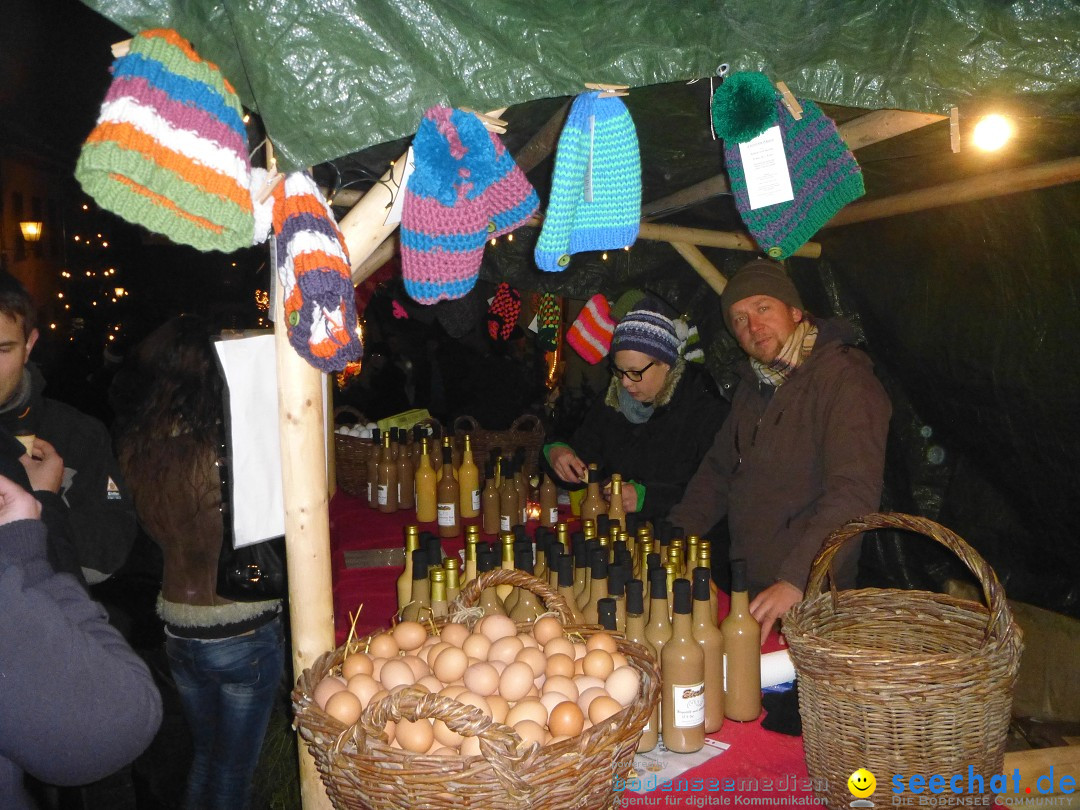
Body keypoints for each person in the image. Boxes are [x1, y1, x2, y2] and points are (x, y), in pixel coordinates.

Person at [667, 258, 892, 640]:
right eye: (738, 319)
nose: (753, 326)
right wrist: (674, 537)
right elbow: (719, 471)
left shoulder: (845, 382)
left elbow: (853, 492)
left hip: (813, 601)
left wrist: (797, 579)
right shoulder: (753, 387)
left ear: (794, 310)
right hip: (753, 590)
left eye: (763, 308)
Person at [116, 315, 285, 810]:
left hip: (176, 625)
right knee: (233, 772)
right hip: (239, 623)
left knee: (207, 759)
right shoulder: (227, 450)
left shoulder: (138, 446)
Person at [0, 471, 163, 810]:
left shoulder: (83, 432)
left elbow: (115, 524)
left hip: (110, 607)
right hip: (78, 625)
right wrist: (46, 508)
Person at [0, 271, 137, 586]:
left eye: (3, 349)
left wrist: (40, 502)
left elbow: (109, 554)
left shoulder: (76, 435)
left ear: (29, 345)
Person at [546, 297, 728, 522]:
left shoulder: (704, 409)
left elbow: (717, 491)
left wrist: (647, 498)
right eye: (619, 371)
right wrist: (556, 453)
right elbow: (583, 458)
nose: (625, 383)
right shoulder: (611, 403)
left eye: (635, 372)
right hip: (622, 536)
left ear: (666, 363)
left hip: (681, 541)